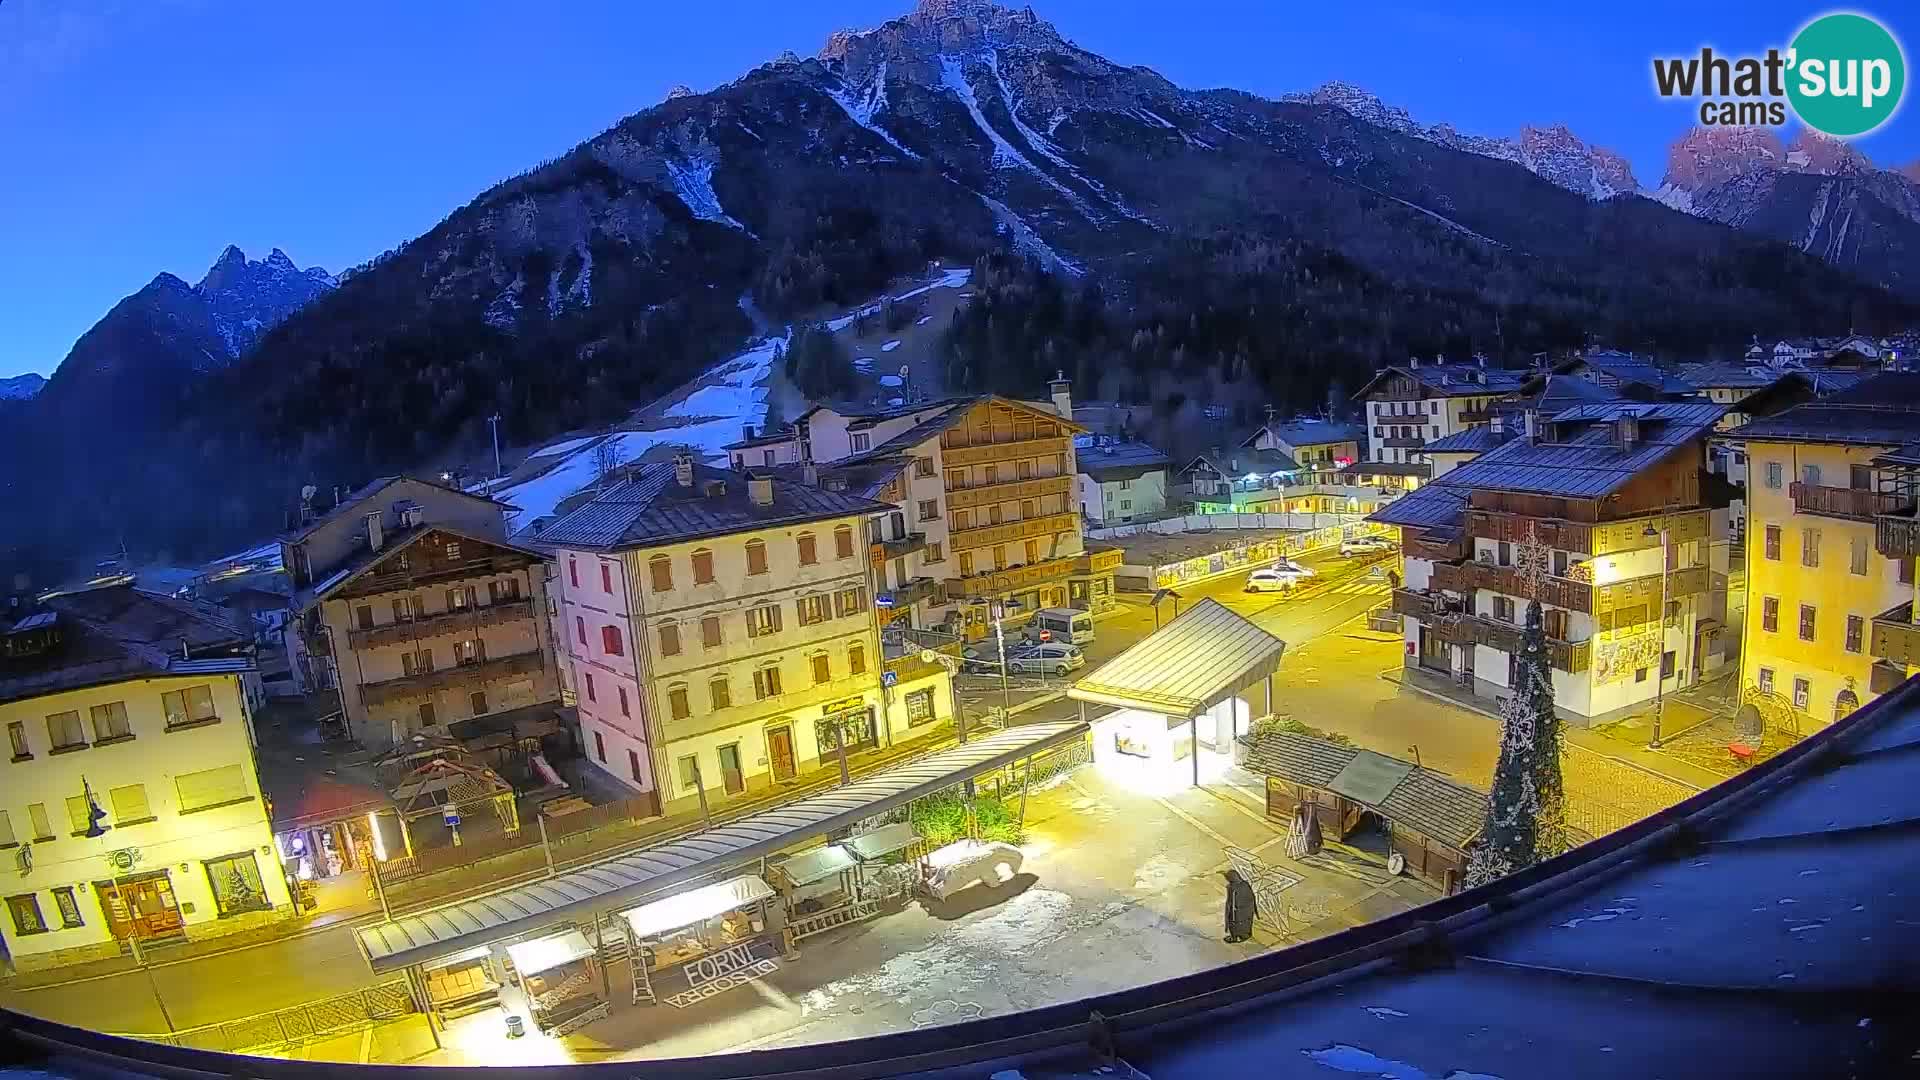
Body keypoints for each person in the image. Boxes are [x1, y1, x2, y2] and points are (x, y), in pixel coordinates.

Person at [1222, 869, 1255, 943]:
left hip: (1236, 912)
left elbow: (1229, 903)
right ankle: (1246, 935)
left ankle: (1234, 937)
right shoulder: (1245, 884)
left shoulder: (1232, 888)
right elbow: (1253, 898)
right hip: (1248, 911)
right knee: (1246, 922)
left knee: (1234, 922)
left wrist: (1227, 921)